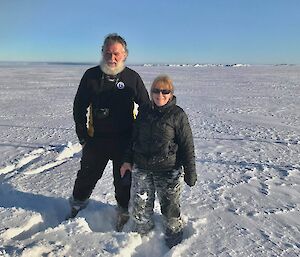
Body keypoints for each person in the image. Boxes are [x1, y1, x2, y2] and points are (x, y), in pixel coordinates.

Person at [69, 33, 150, 231]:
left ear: (125, 55)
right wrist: (83, 136)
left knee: (124, 181)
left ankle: (123, 212)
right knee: (86, 177)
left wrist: (140, 137)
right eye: (108, 53)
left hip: (124, 142)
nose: (112, 58)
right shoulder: (91, 76)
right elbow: (79, 106)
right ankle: (77, 205)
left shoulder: (132, 78)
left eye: (116, 54)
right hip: (96, 141)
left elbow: (146, 108)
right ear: (102, 53)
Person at [120, 75, 197, 248]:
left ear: (171, 93)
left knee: (170, 206)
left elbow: (187, 144)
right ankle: (142, 234)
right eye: (156, 90)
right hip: (142, 167)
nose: (160, 95)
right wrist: (127, 160)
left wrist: (190, 171)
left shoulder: (177, 115)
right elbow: (133, 138)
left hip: (168, 169)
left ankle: (174, 236)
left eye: (165, 91)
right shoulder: (144, 111)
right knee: (140, 204)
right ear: (151, 92)